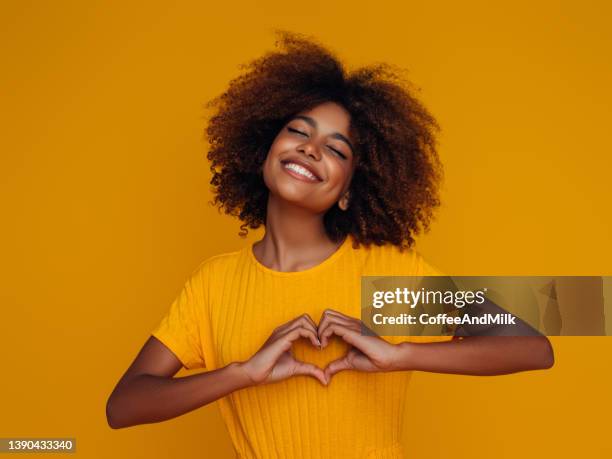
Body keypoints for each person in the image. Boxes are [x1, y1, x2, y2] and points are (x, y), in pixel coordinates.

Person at [106, 30, 554, 458]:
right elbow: (123, 406)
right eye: (299, 132)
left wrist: (399, 354)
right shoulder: (214, 284)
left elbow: (534, 347)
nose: (310, 149)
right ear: (265, 148)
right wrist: (241, 373)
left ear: (347, 192)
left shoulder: (384, 276)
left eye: (336, 150)